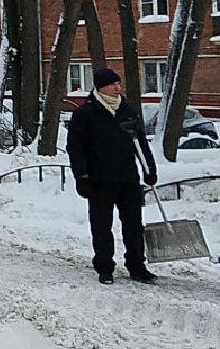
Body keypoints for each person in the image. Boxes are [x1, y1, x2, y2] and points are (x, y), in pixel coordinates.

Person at [65, 67, 158, 284]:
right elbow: (75, 148)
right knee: (102, 226)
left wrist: (149, 169)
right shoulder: (85, 114)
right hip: (99, 181)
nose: (118, 87)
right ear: (101, 87)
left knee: (134, 225)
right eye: (113, 84)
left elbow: (141, 144)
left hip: (128, 179)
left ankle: (137, 266)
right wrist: (82, 176)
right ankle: (105, 267)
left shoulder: (127, 110)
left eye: (119, 83)